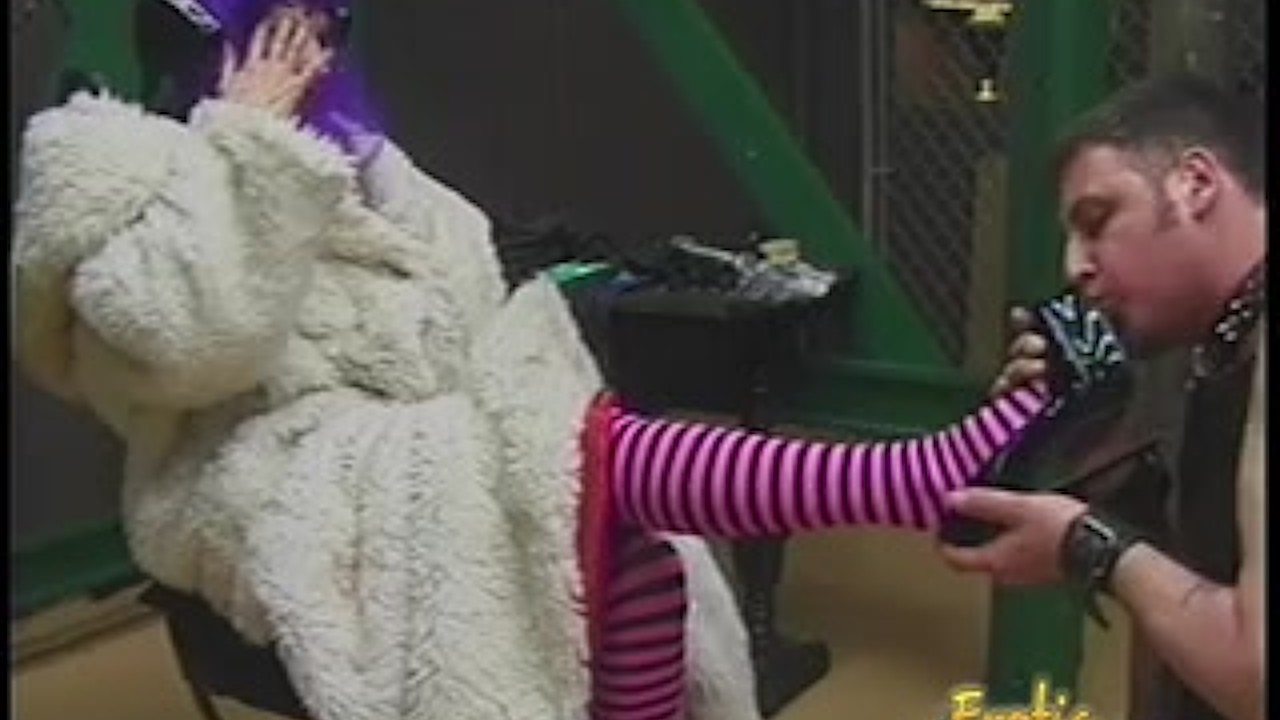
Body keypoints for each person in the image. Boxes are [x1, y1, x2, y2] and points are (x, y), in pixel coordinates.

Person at [14, 1, 1079, 719]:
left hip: (394, 444)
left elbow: (464, 294)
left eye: (323, 36)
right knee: (578, 462)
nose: (308, 62)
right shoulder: (114, 172)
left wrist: (365, 172)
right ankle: (919, 479)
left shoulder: (341, 163)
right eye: (280, 37)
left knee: (634, 539)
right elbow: (191, 344)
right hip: (257, 480)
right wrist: (244, 143)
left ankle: (925, 480)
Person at [938, 73, 1264, 720]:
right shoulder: (1223, 337)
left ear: (1195, 184)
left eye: (1097, 221)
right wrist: (1085, 432)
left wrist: (1085, 545)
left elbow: (1256, 677)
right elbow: (1208, 576)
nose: (1075, 266)